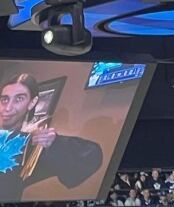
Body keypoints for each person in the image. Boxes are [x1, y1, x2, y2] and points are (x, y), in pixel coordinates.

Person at [0, 72, 103, 200]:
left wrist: (54, 142)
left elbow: (90, 157)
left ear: (32, 103)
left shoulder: (30, 145)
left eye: (19, 99)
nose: (8, 107)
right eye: (4, 99)